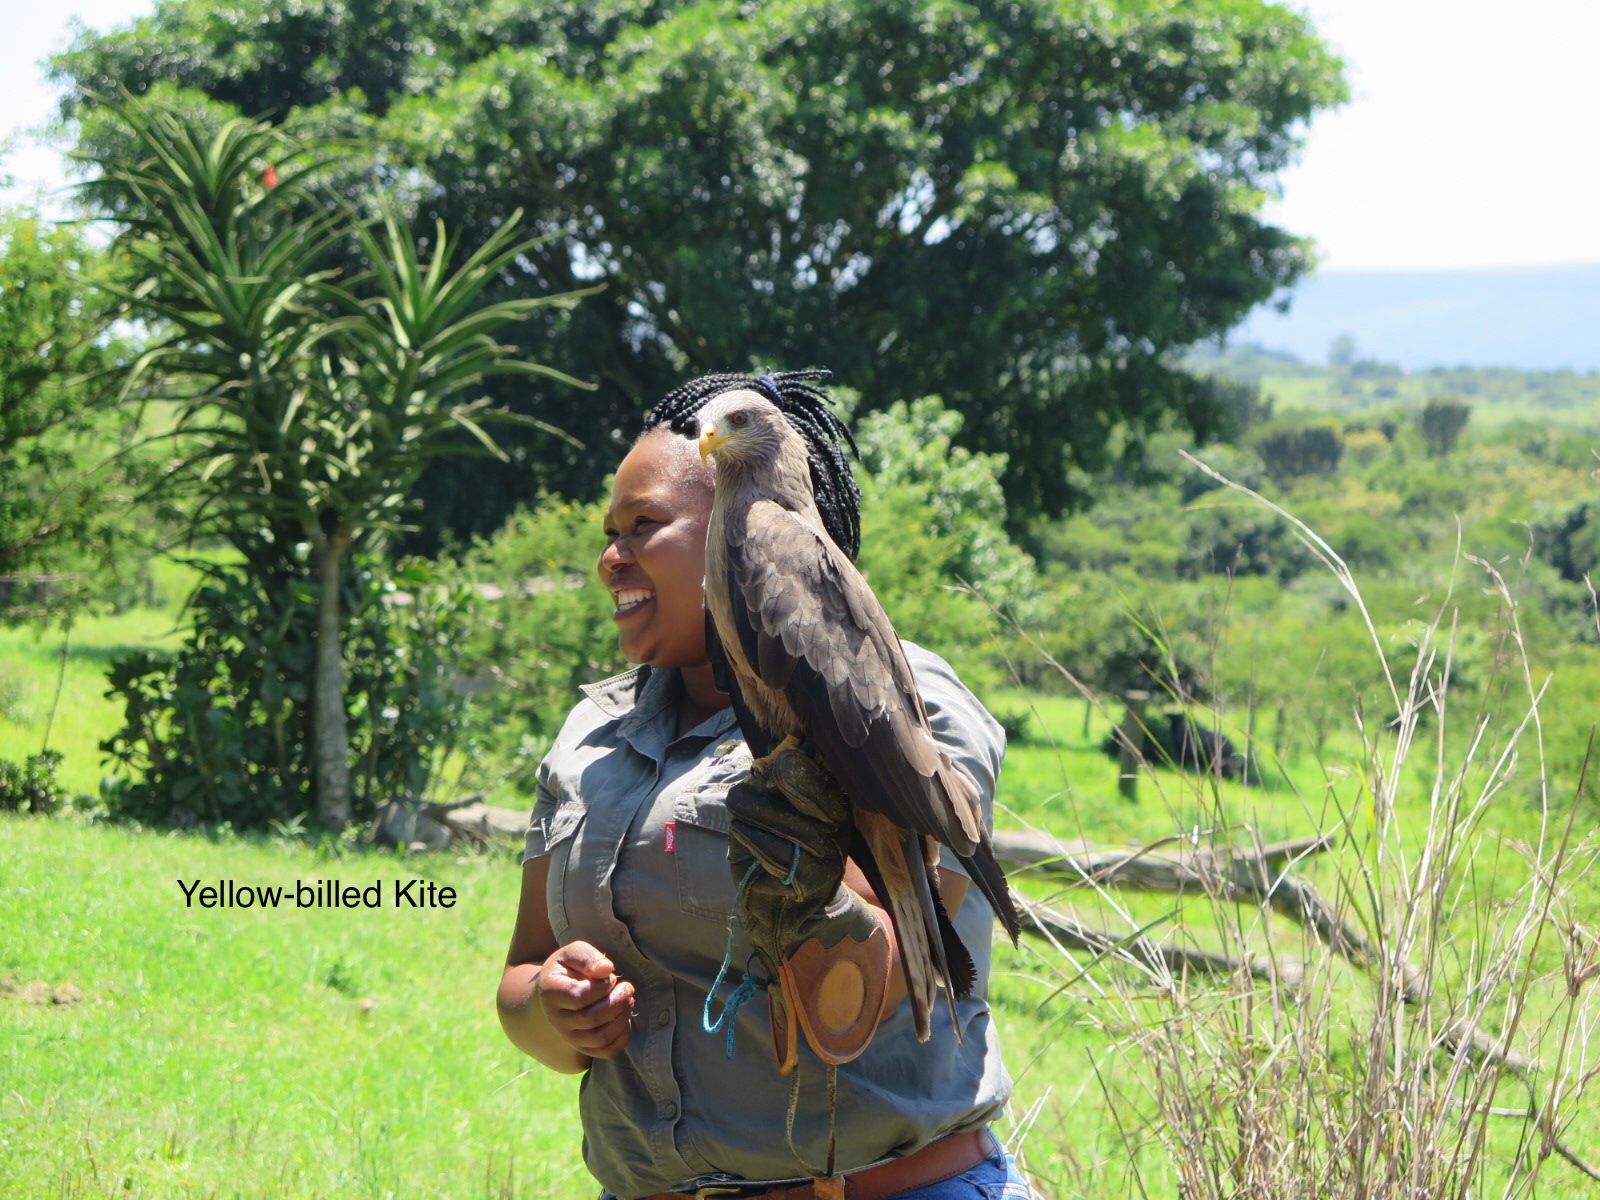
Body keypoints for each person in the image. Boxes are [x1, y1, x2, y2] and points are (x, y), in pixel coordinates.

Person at [496, 370, 1025, 1200]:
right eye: (609, 532)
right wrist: (554, 1005)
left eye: (644, 526)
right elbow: (520, 980)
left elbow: (882, 986)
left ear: (742, 520)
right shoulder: (591, 734)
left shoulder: (906, 695)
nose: (611, 558)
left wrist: (818, 892)